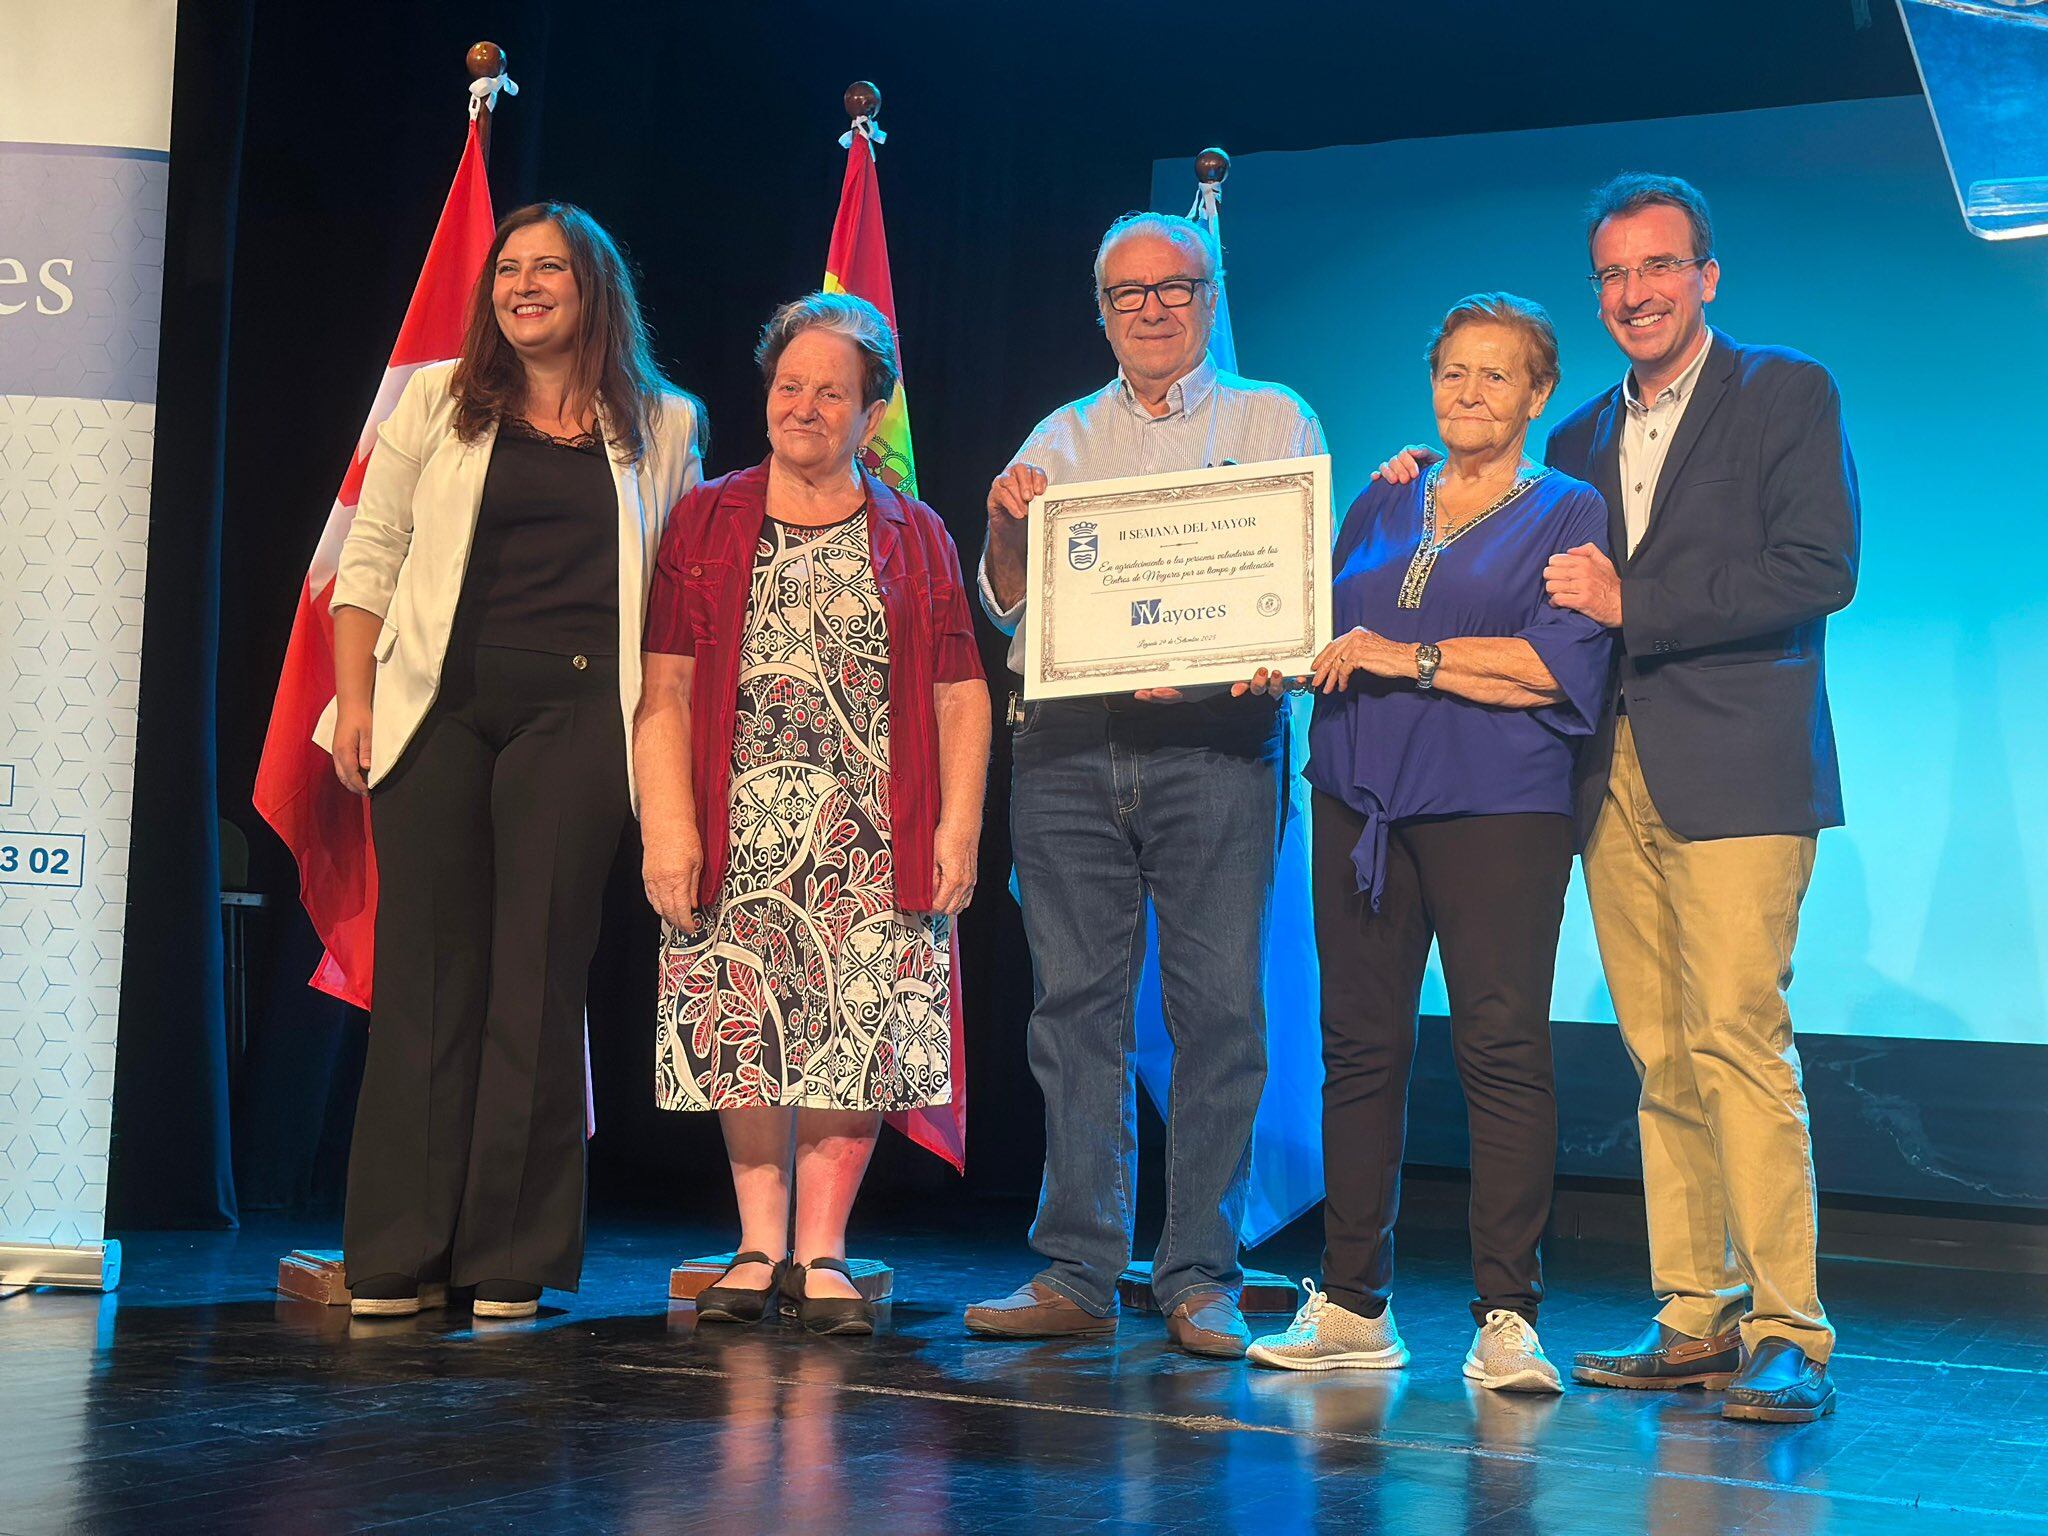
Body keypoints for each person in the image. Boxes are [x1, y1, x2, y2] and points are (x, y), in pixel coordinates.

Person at [1382, 175, 1859, 1422]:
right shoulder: (1580, 435)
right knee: (1656, 1049)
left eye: (1657, 268)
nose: (1634, 293)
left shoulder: (1785, 392)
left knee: (1736, 1037)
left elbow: (1819, 569)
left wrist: (1633, 605)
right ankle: (1693, 1311)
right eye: (1611, 275)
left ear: (1705, 275)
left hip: (1738, 768)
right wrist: (1413, 483)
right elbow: (1504, 551)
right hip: (1605, 775)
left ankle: (1788, 1328)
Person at [322, 202, 704, 1319]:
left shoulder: (666, 421)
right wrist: (355, 699)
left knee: (537, 981)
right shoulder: (435, 398)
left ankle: (509, 1258)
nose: (521, 285)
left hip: (581, 717)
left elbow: (675, 594)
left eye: (547, 269)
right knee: (428, 980)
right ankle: (396, 1250)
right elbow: (372, 553)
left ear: (593, 291)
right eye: (507, 270)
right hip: (437, 704)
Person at [964, 212, 1325, 1358]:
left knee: (1218, 1012)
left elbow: (1294, 586)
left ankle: (1200, 1274)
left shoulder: (1272, 418)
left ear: (1209, 298)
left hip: (1218, 746)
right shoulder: (1057, 437)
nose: (1154, 310)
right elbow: (1007, 608)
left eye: (1175, 289)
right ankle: (1076, 1267)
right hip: (1068, 750)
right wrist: (1002, 524)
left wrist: (1239, 661)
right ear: (1102, 312)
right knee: (1072, 1013)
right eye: (1130, 295)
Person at [1238, 294, 1612, 1393]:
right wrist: (1266, 650)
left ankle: (1505, 1315)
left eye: (1495, 375)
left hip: (1497, 808)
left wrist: (1407, 657)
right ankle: (1351, 1303)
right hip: (1359, 798)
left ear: (1537, 395)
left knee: (1499, 1051)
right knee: (1357, 1050)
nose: (1467, 392)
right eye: (1451, 371)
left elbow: (1554, 669)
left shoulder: (1567, 509)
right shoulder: (1381, 500)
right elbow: (1313, 628)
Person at [635, 292, 989, 1336]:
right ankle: (755, 1243)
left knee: (855, 1027)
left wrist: (957, 827)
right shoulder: (703, 517)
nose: (803, 406)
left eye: (830, 391)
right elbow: (662, 686)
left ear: (869, 411)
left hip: (878, 829)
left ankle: (823, 1251)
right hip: (731, 820)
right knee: (744, 1019)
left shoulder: (914, 533)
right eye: (789, 386)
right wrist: (667, 824)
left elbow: (959, 694)